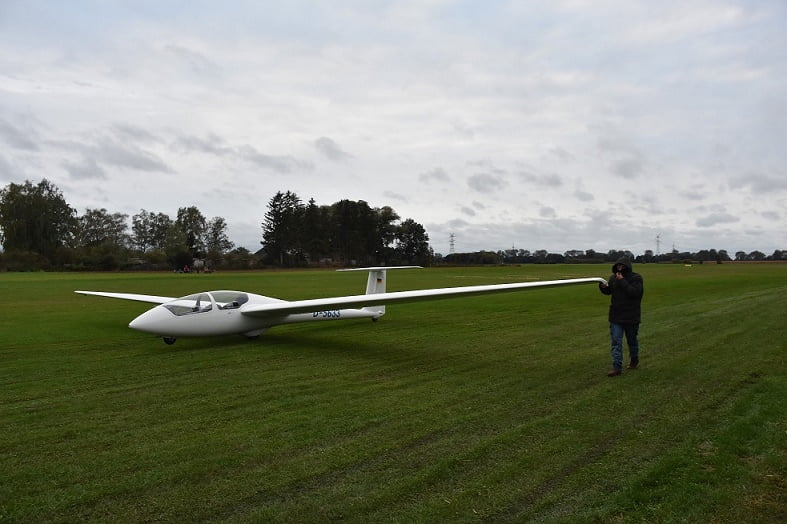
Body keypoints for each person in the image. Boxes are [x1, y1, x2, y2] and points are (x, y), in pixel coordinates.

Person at [599, 256, 644, 377]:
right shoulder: (613, 278)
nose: (620, 268)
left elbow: (634, 293)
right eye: (618, 266)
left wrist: (622, 281)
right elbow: (610, 291)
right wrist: (603, 287)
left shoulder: (636, 278)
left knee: (632, 341)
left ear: (627, 267)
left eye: (622, 266)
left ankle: (634, 361)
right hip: (616, 316)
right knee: (616, 342)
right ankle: (616, 367)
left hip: (631, 316)